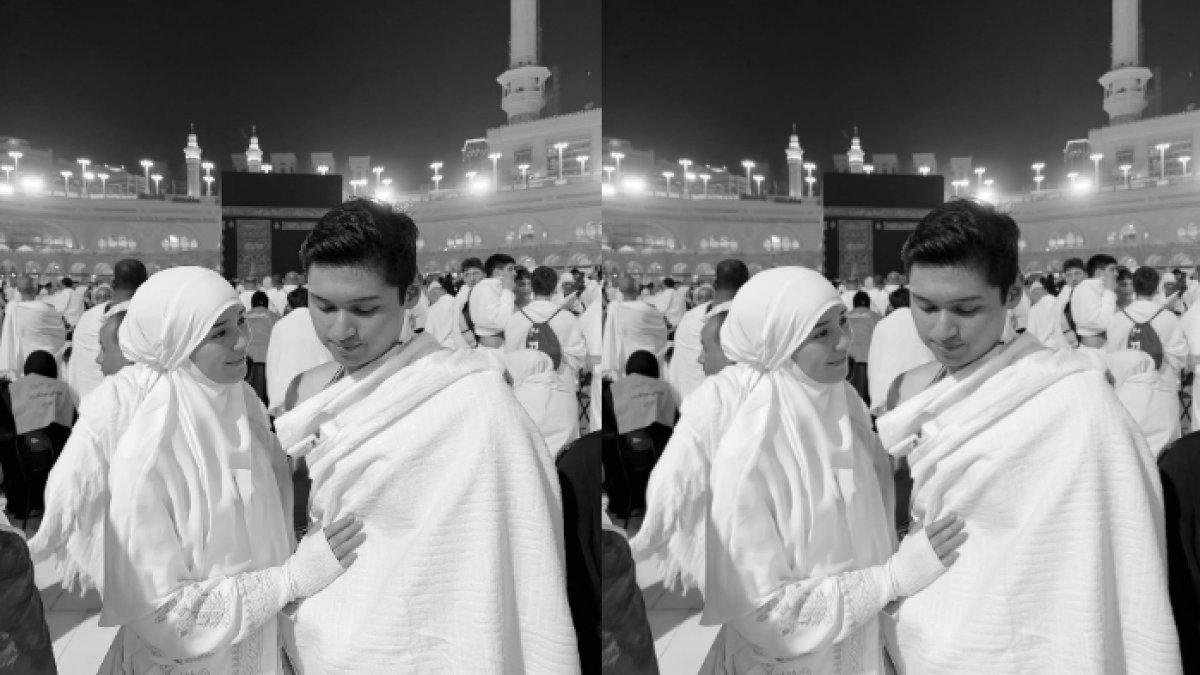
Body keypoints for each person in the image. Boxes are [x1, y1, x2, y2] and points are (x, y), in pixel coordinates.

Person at [274, 199, 580, 672]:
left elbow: (513, 543)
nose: (341, 330)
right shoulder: (308, 393)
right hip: (321, 639)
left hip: (427, 645)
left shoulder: (475, 401)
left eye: (364, 308)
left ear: (411, 292)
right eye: (324, 306)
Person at [877, 199, 1179, 671]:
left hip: (1027, 646)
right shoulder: (910, 393)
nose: (942, 330)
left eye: (966, 308)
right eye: (925, 306)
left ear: (1013, 292)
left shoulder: (1077, 402)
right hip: (924, 641)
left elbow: (1116, 543)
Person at [30, 266, 365, 673]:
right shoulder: (152, 452)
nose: (243, 340)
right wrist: (288, 581)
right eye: (219, 333)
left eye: (239, 321)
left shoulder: (244, 410)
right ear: (177, 344)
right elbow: (162, 613)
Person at [633, 266, 963, 673]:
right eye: (821, 333)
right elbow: (764, 612)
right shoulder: (753, 452)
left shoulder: (849, 412)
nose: (845, 341)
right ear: (778, 345)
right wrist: (890, 580)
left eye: (842, 321)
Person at [1106, 265, 1187, 455]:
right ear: (1157, 286)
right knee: (1167, 445)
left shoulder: (1117, 319)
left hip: (1128, 389)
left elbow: (1112, 356)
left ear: (1134, 286)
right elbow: (1180, 354)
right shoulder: (1168, 317)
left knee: (1132, 444)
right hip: (1163, 385)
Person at [668, 259, 748, 404]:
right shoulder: (748, 319)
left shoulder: (690, 318)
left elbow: (681, 368)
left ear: (715, 285)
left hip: (687, 403)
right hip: (730, 407)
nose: (701, 358)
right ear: (747, 285)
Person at [67, 259, 147, 405]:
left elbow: (79, 368)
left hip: (87, 403)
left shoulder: (88, 317)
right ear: (145, 284)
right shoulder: (145, 318)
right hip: (129, 408)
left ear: (113, 284)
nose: (99, 359)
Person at [865, 287, 935, 414]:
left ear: (891, 305)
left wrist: (875, 396)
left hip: (890, 392)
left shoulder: (883, 325)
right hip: (922, 389)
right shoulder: (924, 322)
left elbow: (875, 362)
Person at [264, 287, 333, 416]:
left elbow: (273, 363)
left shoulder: (281, 325)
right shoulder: (322, 323)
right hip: (320, 389)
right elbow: (331, 356)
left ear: (289, 305)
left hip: (287, 392)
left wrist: (273, 398)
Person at [601, 275, 669, 380]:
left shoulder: (613, 307)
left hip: (621, 361)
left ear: (619, 290)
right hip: (644, 361)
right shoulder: (646, 309)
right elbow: (662, 332)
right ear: (637, 289)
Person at [0, 275, 66, 379]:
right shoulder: (45, 309)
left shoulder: (11, 307)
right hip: (45, 362)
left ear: (18, 290)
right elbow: (61, 333)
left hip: (21, 361)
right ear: (35, 289)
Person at [846, 290, 881, 405]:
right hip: (870, 361)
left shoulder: (844, 317)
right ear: (868, 303)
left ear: (854, 303)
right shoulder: (878, 318)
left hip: (848, 361)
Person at [244, 290, 278, 404]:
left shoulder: (243, 317)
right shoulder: (275, 317)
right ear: (266, 303)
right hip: (267, 360)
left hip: (247, 361)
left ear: (252, 303)